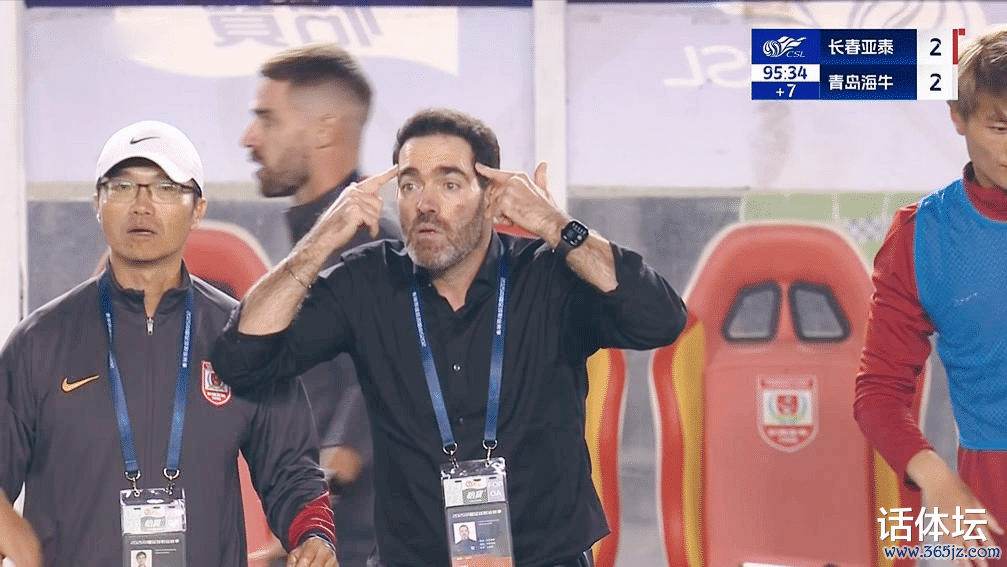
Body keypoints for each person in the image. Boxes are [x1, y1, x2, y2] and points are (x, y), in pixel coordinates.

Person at [211, 108, 688, 567]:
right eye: (410, 184)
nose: (425, 203)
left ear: (491, 198)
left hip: (547, 557)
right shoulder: (369, 281)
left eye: (450, 184)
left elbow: (661, 320)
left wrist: (555, 225)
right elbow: (241, 359)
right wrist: (321, 240)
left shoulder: (547, 277)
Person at [0, 120, 337, 567]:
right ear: (97, 203)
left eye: (165, 188)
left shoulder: (242, 340)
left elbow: (292, 469)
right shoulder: (39, 343)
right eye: (122, 187)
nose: (142, 205)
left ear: (198, 209)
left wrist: (313, 536)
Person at [854, 29, 1007, 567]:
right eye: (1000, 127)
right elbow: (878, 393)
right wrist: (937, 480)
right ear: (958, 118)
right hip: (991, 498)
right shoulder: (923, 237)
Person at [241, 43, 395, 567]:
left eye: (267, 119)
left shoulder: (377, 250)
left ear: (325, 130)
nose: (249, 137)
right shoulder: (316, 249)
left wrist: (332, 474)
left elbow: (378, 382)